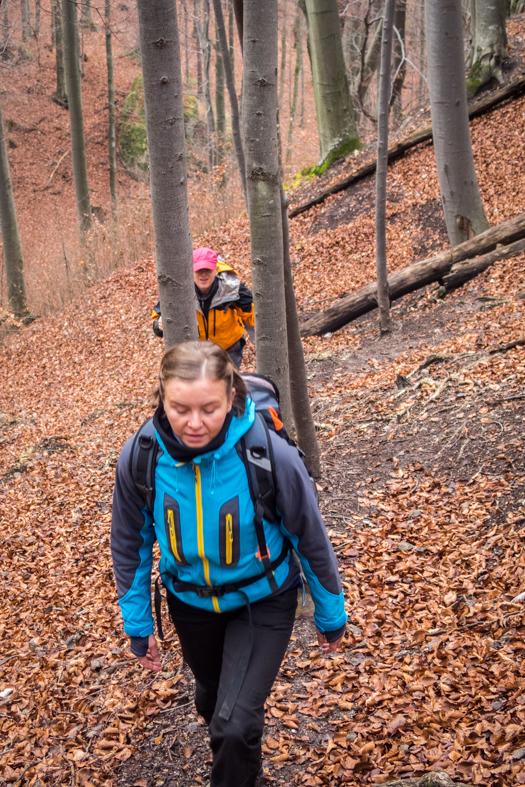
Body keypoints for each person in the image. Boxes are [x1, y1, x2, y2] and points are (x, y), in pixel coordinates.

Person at [111, 342, 347, 787]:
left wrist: (330, 610)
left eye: (209, 408)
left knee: (234, 722)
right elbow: (130, 543)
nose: (194, 423)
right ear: (161, 397)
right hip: (189, 603)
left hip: (264, 597)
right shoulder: (142, 456)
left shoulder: (267, 455)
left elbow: (309, 535)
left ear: (231, 397)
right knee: (212, 702)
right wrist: (137, 624)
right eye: (180, 408)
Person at [152, 247, 255, 368]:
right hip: (194, 351)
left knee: (225, 385)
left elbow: (253, 314)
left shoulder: (231, 286)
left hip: (228, 348)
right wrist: (159, 325)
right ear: (190, 270)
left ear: (216, 270)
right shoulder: (178, 290)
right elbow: (158, 317)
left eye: (208, 270)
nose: (203, 274)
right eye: (199, 270)